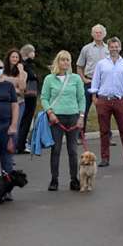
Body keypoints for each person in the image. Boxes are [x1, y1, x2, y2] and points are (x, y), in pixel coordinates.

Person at [40, 50, 87, 191]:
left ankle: (74, 179)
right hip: (56, 117)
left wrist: (81, 116)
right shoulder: (49, 79)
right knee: (56, 149)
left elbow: (81, 98)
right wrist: (50, 113)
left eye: (68, 60)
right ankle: (54, 179)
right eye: (62, 60)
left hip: (73, 116)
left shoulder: (76, 79)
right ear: (57, 62)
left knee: (73, 150)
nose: (65, 62)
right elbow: (44, 98)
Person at [88, 37, 123, 167]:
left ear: (120, 47)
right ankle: (105, 158)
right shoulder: (101, 64)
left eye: (116, 46)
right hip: (104, 100)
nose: (114, 49)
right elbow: (95, 81)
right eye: (112, 46)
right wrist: (94, 97)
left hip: (120, 100)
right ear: (108, 48)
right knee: (104, 131)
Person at [78, 25, 110, 92]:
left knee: (103, 102)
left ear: (104, 34)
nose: (98, 34)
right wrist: (84, 79)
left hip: (105, 82)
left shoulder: (109, 49)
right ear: (92, 34)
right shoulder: (86, 48)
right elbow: (79, 67)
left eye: (100, 32)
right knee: (87, 102)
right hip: (89, 82)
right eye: (96, 32)